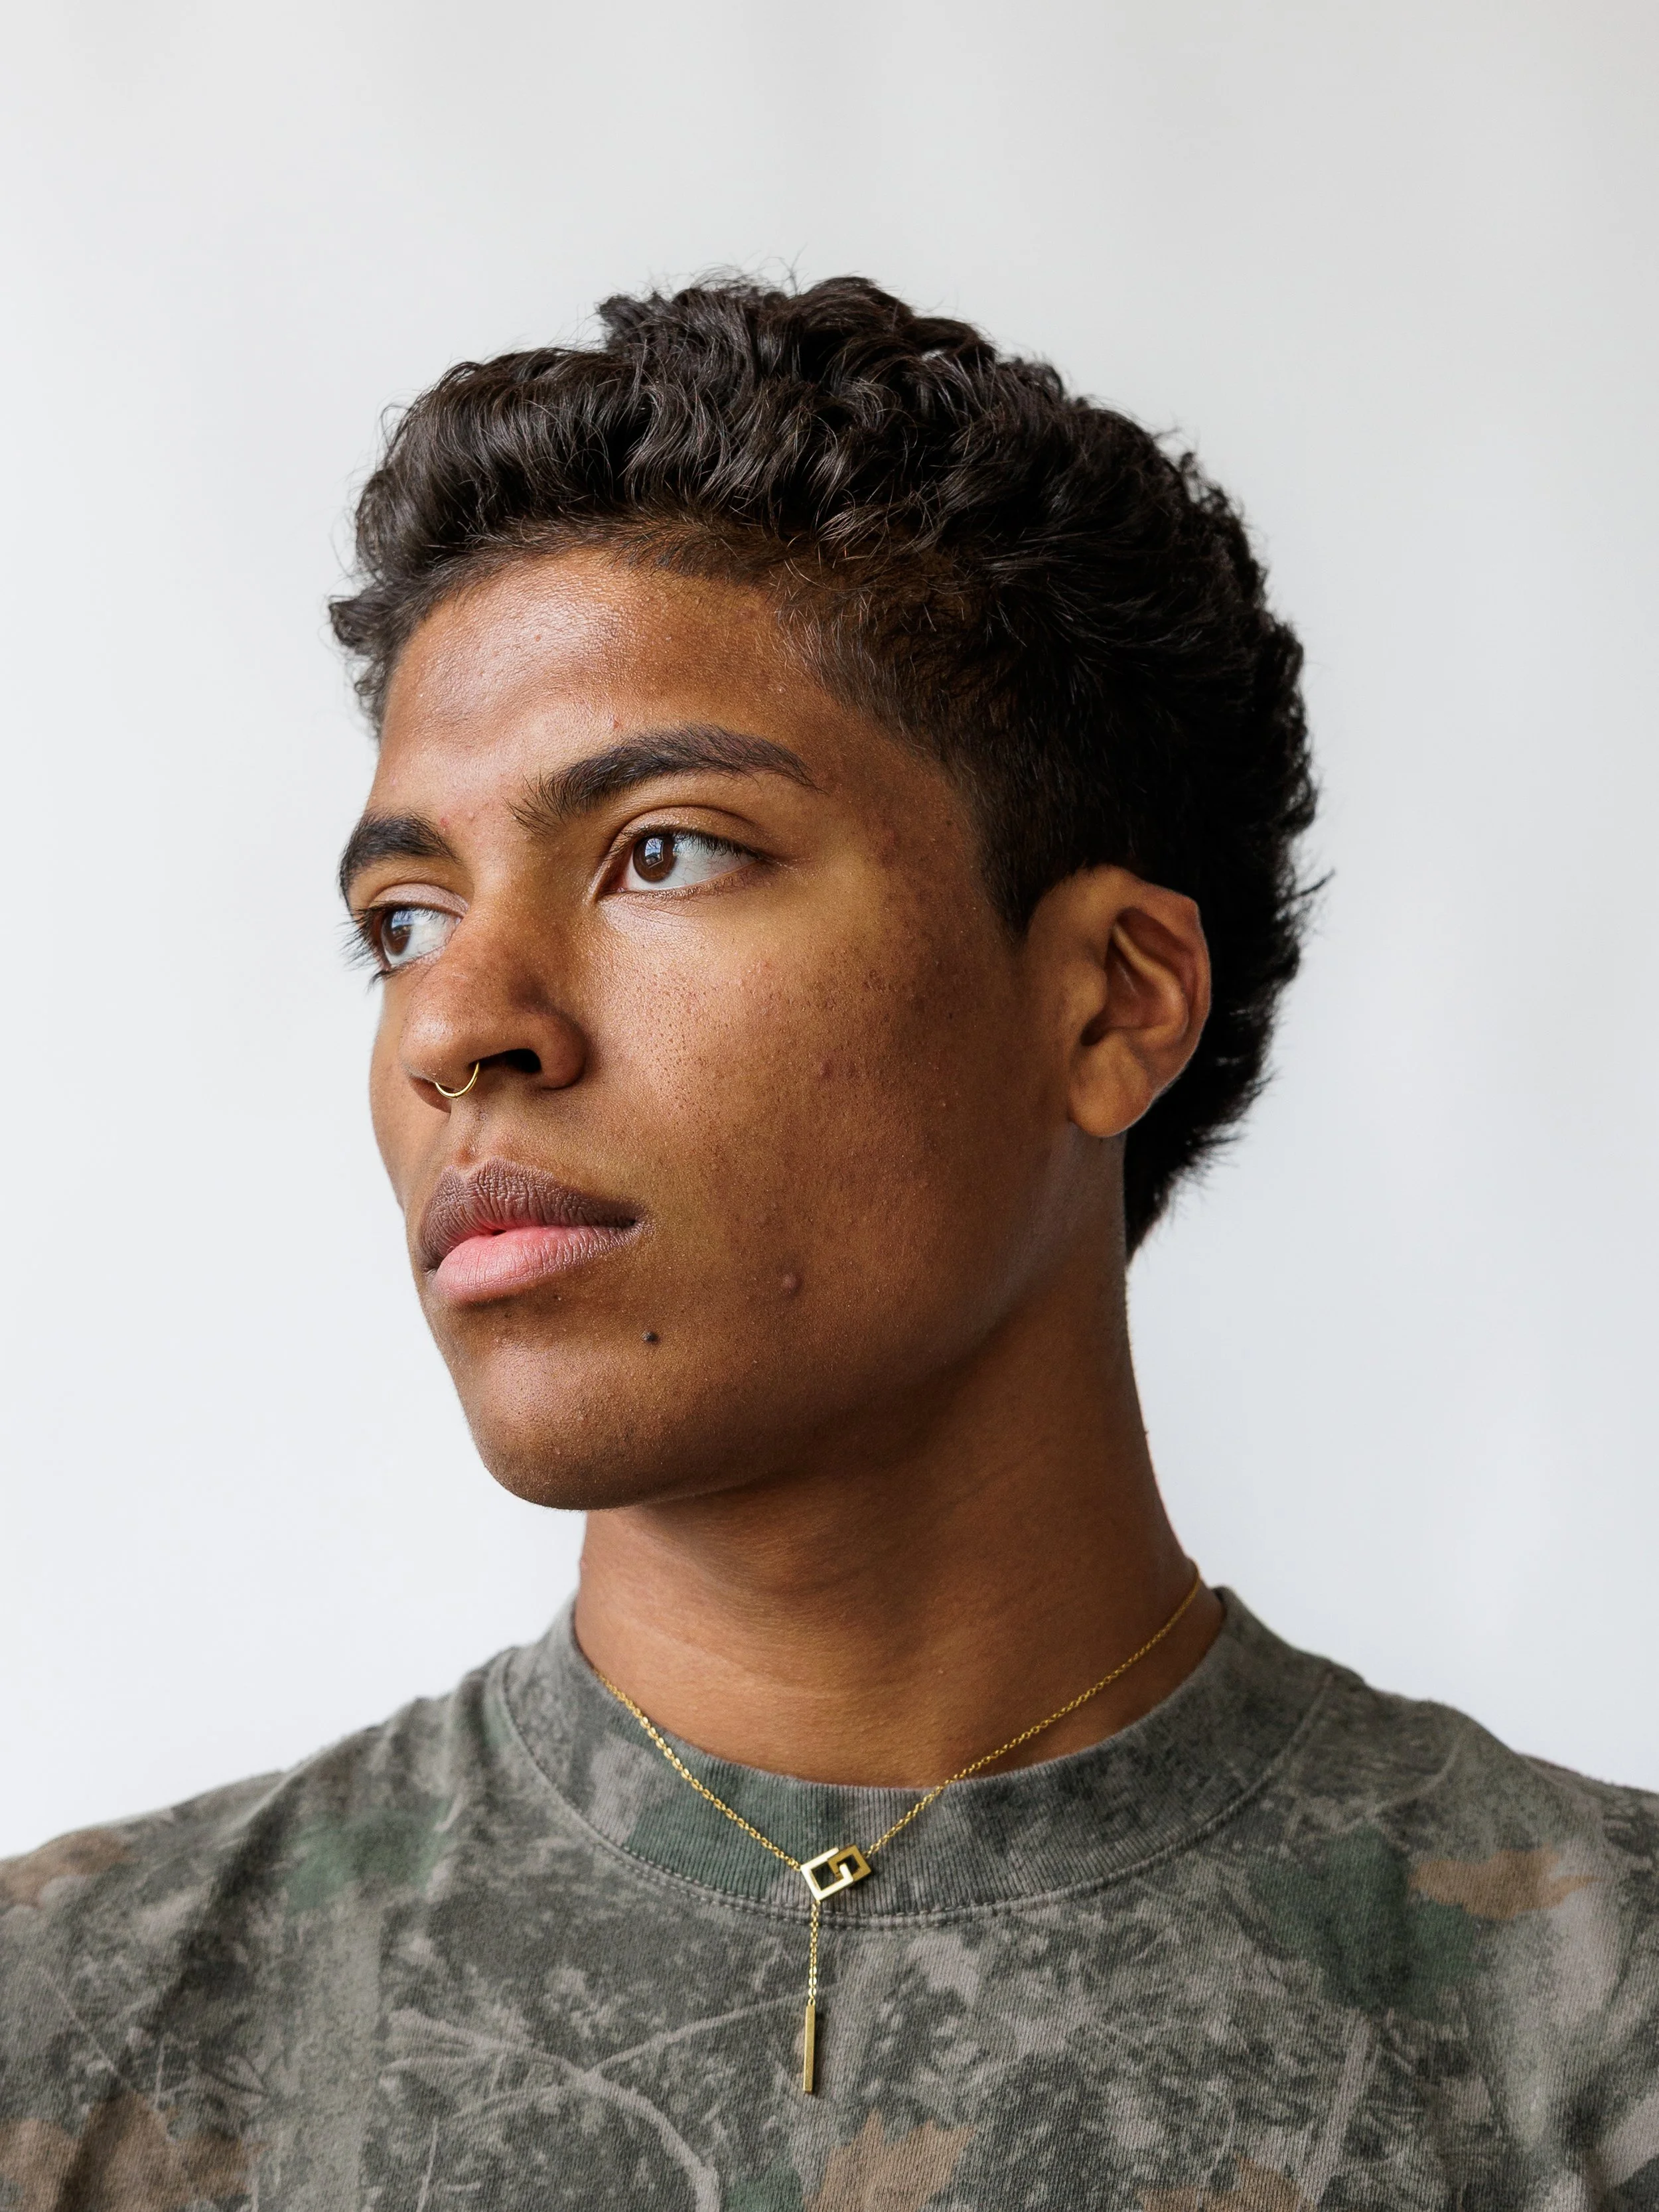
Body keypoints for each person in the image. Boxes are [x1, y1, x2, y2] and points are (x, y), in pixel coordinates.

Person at [1, 275, 1654, 2212]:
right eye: (407, 916)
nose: (459, 1023)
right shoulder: (73, 2030)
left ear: (1112, 1001)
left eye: (665, 849)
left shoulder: (1593, 2039)